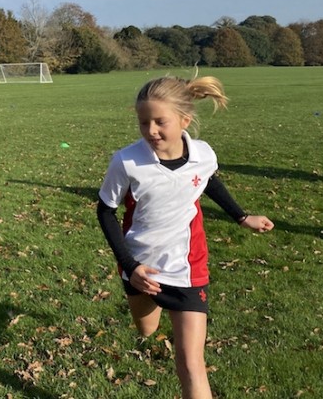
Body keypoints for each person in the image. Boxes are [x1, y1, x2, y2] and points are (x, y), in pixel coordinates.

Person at [97, 75, 274, 399]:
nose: (151, 130)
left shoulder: (203, 154)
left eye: (160, 122)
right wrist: (129, 265)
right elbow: (105, 211)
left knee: (191, 362)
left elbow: (208, 181)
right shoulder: (126, 161)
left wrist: (242, 216)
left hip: (189, 267)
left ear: (184, 120)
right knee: (147, 329)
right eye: (143, 122)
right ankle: (152, 307)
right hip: (140, 267)